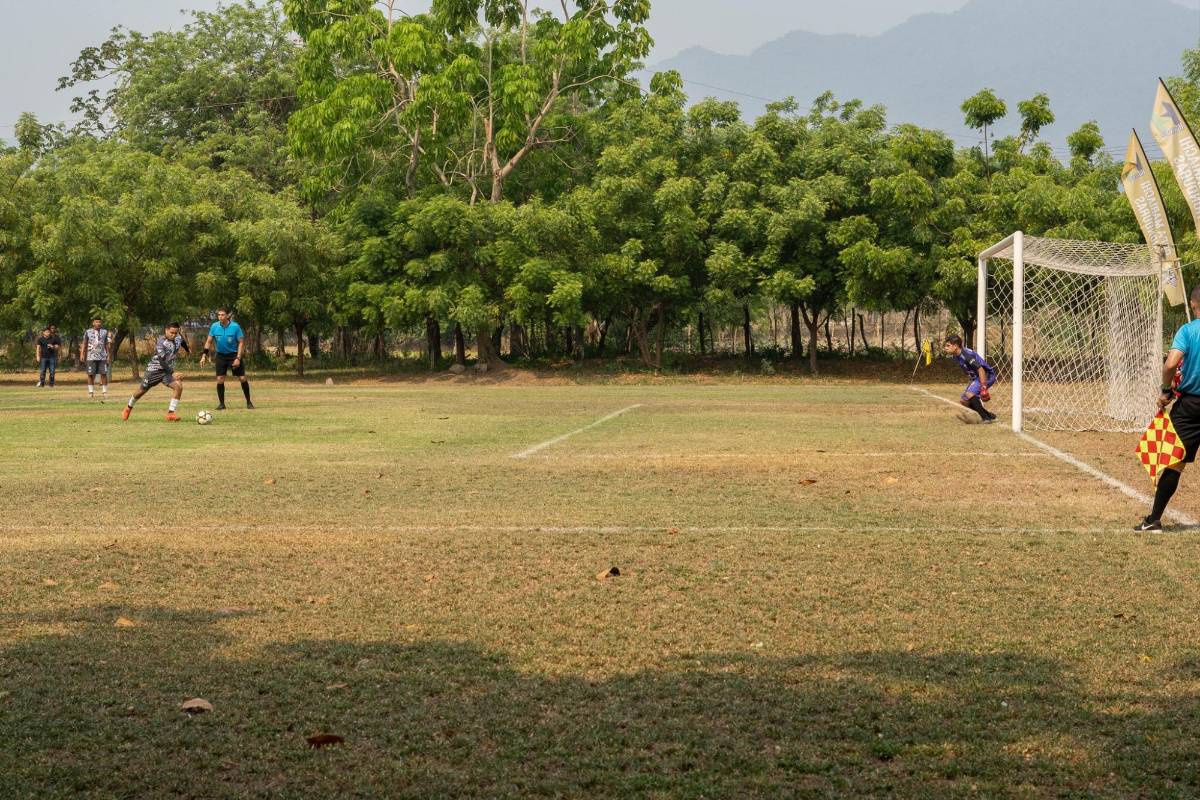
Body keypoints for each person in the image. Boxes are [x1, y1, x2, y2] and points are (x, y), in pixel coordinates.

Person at [1136, 286, 1200, 531]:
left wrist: (1166, 390)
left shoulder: (1187, 330)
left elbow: (1171, 363)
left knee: (1175, 464)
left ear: (1194, 305)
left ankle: (1153, 520)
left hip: (1190, 406)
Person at [122, 322, 190, 422]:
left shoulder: (178, 337)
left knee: (178, 386)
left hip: (166, 372)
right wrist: (172, 372)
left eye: (176, 333)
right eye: (172, 332)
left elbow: (182, 341)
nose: (174, 335)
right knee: (142, 390)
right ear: (166, 330)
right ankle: (128, 408)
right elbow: (161, 361)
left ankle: (171, 413)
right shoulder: (161, 342)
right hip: (154, 370)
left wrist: (187, 350)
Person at [200, 308, 253, 410]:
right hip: (221, 356)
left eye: (223, 315)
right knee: (220, 379)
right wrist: (203, 356)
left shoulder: (235, 326)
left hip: (233, 355)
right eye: (219, 315)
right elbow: (208, 341)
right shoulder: (214, 326)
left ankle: (249, 402)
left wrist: (238, 358)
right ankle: (222, 404)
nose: (220, 317)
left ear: (227, 315)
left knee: (242, 378)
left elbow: (241, 342)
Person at [943, 334, 997, 423]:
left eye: (948, 345)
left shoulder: (966, 355)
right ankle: (988, 415)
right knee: (964, 401)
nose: (946, 348)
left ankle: (985, 418)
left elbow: (981, 369)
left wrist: (983, 386)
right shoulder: (956, 356)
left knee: (969, 394)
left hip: (986, 375)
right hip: (976, 377)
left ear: (955, 346)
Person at [80, 318, 114, 402]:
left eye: (99, 322)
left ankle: (104, 392)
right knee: (90, 374)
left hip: (102, 356)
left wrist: (108, 355)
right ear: (93, 323)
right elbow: (84, 343)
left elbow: (106, 344)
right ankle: (91, 392)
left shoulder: (104, 332)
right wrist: (82, 353)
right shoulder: (88, 332)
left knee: (103, 374)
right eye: (96, 322)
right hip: (91, 356)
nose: (98, 323)